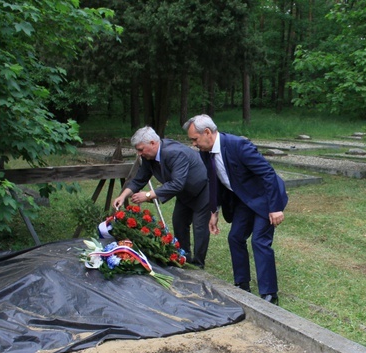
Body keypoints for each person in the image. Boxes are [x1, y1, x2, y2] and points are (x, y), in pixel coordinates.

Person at [183, 114, 288, 305]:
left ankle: (269, 294)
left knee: (259, 241)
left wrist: (275, 208)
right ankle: (242, 284)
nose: (194, 144)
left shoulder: (238, 145)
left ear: (207, 132)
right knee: (235, 237)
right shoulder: (205, 153)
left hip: (265, 198)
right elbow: (214, 182)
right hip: (245, 200)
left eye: (195, 139)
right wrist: (213, 211)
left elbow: (268, 174)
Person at [113, 126, 210, 268]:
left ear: (153, 143)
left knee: (199, 228)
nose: (138, 154)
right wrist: (123, 196)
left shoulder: (174, 153)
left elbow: (177, 183)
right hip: (184, 193)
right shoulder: (149, 156)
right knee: (179, 223)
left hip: (203, 190)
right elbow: (139, 179)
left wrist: (147, 195)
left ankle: (198, 264)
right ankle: (183, 257)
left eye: (140, 149)